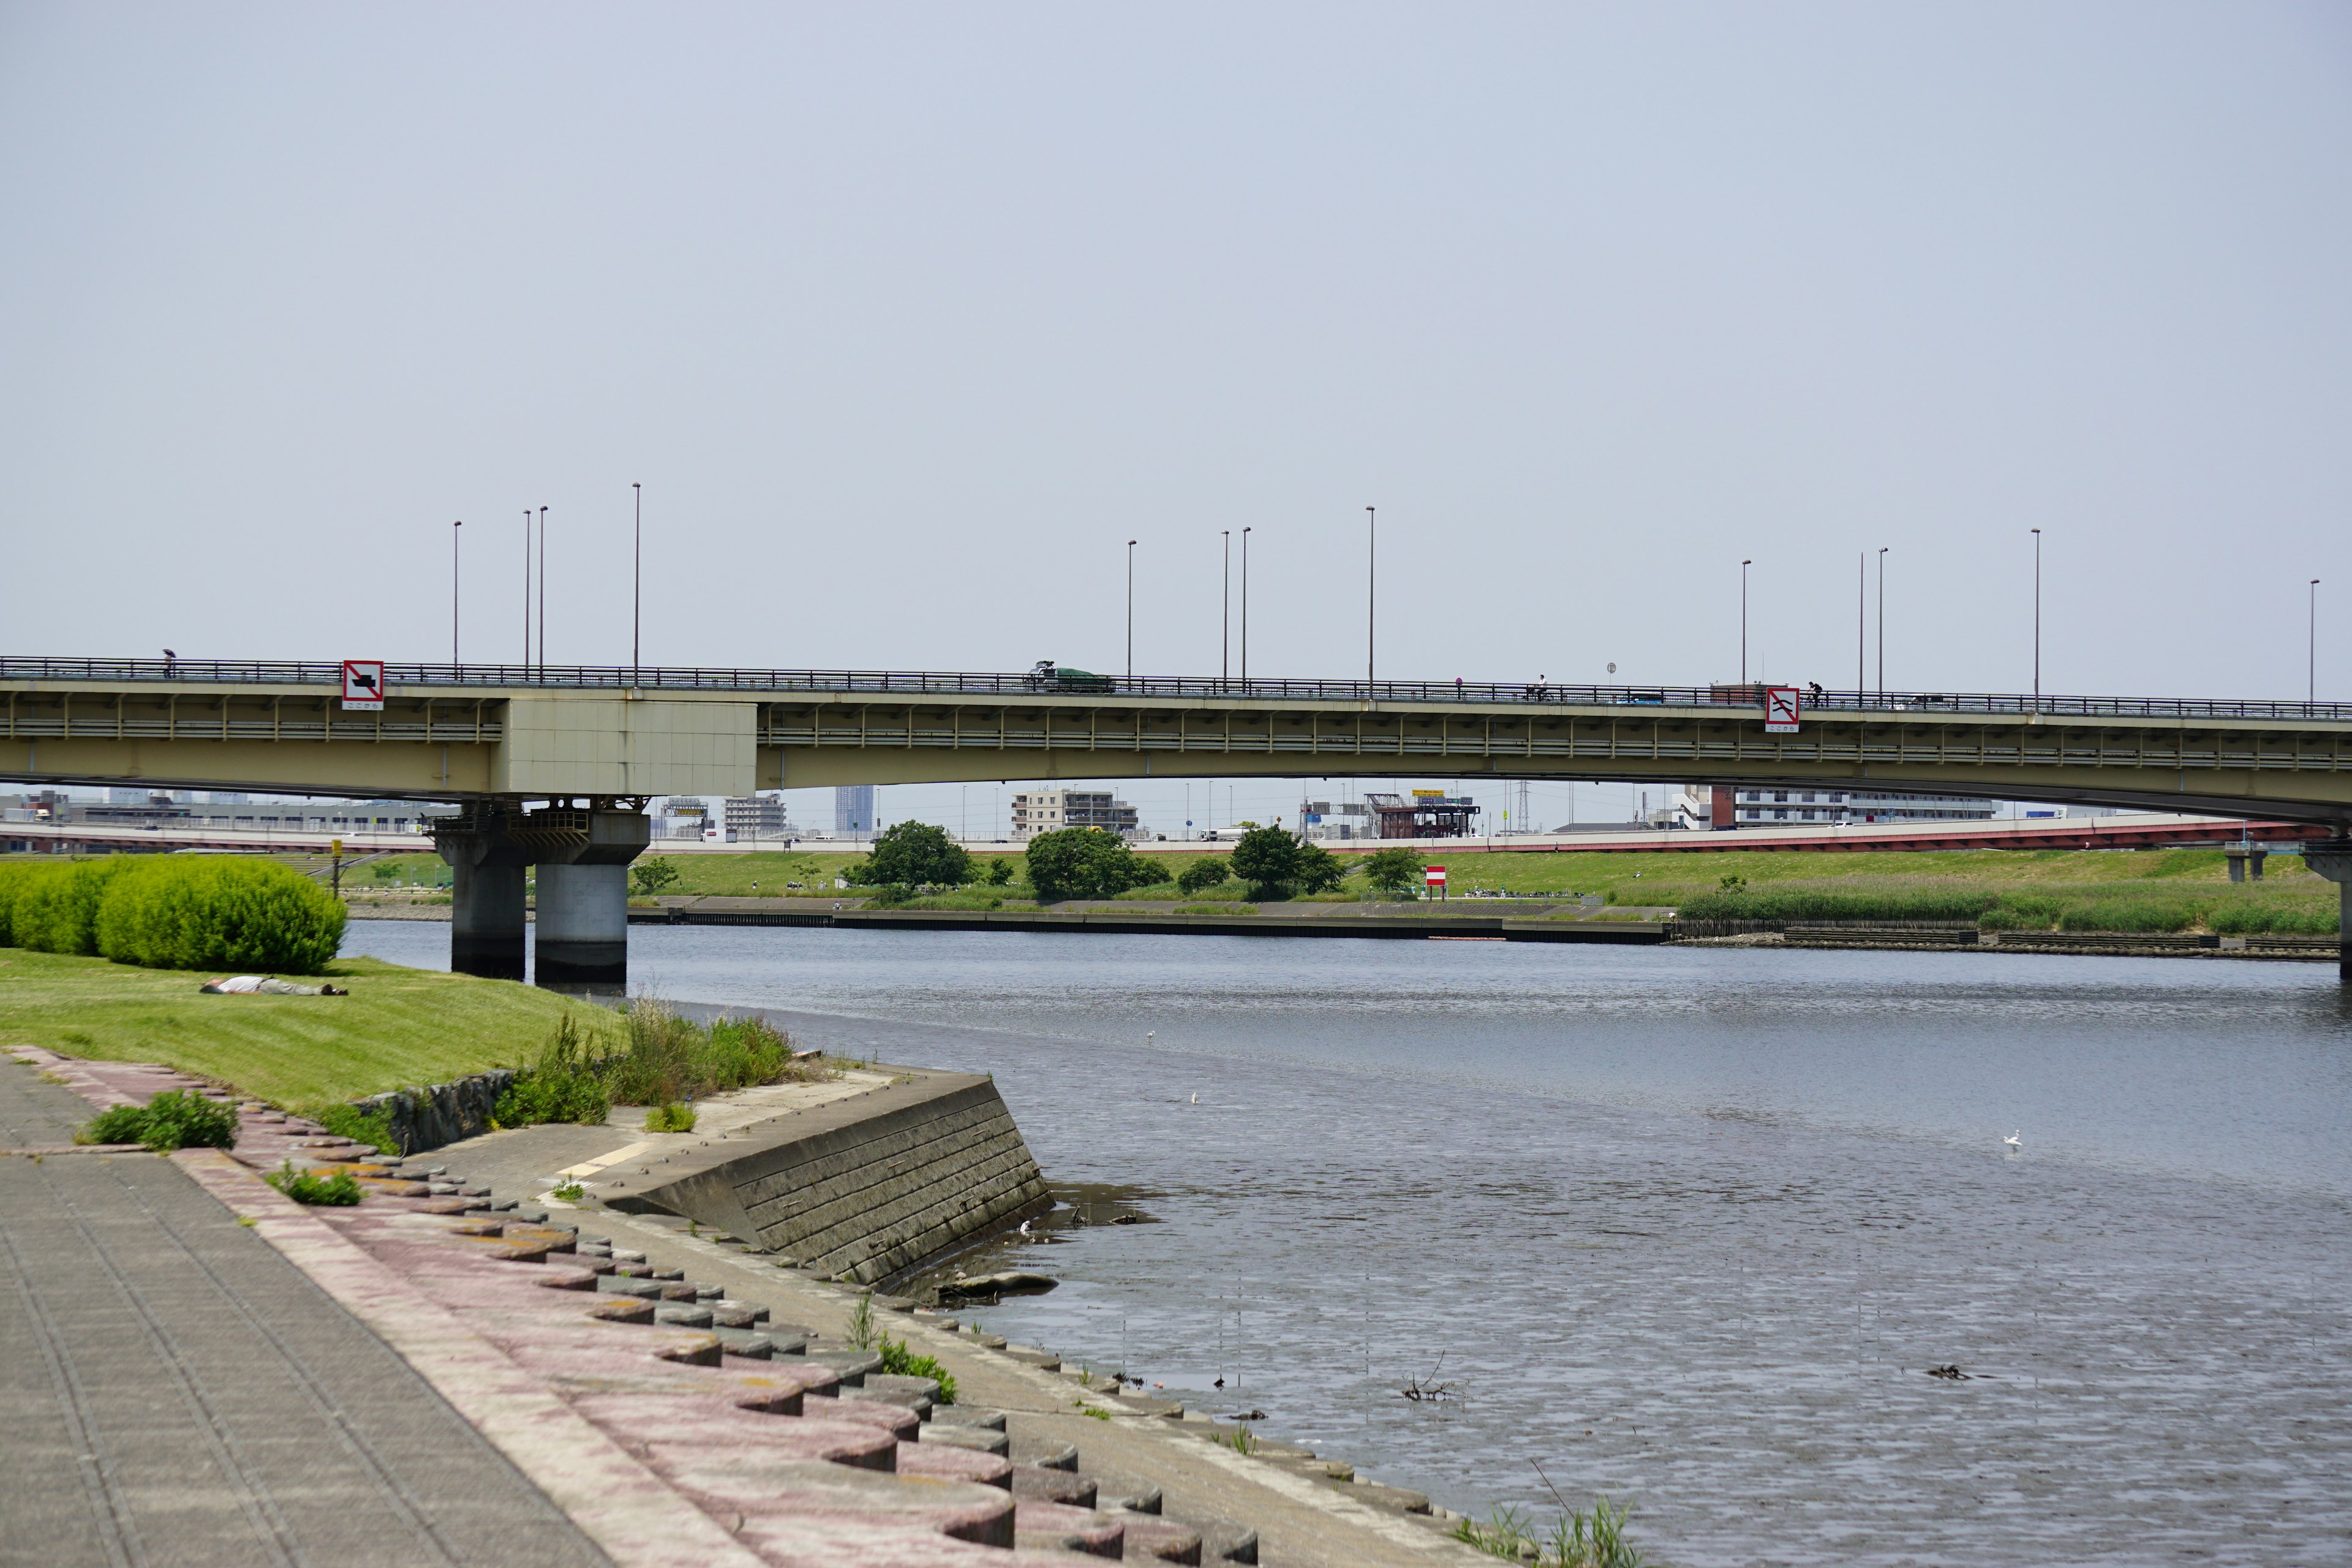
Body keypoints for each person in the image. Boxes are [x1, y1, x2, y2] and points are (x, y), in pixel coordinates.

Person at [202, 976, 347, 996]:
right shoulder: (223, 986)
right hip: (264, 987)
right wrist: (253, 994)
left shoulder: (227, 981)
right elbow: (231, 993)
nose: (216, 978)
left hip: (267, 982)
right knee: (292, 989)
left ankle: (335, 992)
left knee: (294, 987)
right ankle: (322, 991)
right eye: (213, 980)